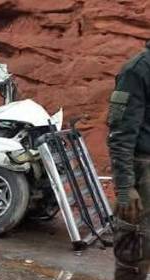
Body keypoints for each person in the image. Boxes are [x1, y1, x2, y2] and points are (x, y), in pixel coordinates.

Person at [108, 42, 150, 280]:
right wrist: (125, 187)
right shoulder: (136, 70)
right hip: (142, 174)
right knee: (133, 255)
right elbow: (119, 133)